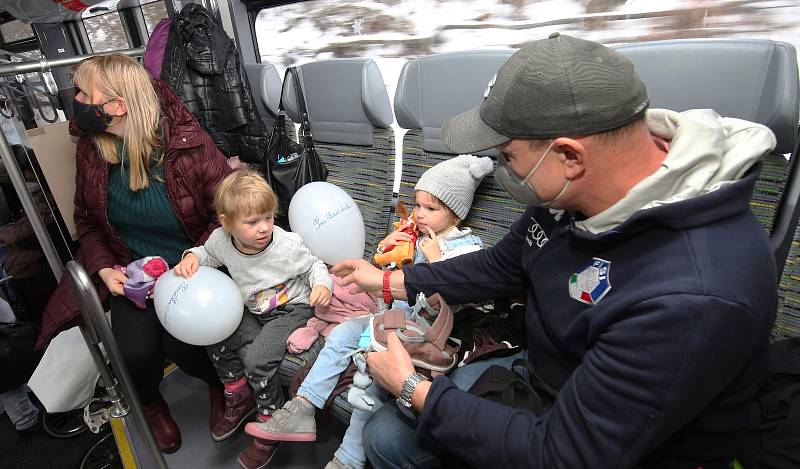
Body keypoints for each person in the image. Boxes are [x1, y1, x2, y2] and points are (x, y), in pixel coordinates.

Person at [331, 33, 778, 469]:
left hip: (607, 440)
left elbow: (566, 453)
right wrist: (389, 279)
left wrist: (413, 388)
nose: (501, 168)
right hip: (543, 370)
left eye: (507, 155)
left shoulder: (694, 294)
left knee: (390, 440)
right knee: (387, 430)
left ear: (569, 156)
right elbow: (503, 265)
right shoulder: (571, 198)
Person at [245, 155, 494, 469]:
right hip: (393, 318)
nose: (420, 215)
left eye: (431, 209)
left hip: (426, 332)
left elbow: (464, 293)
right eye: (417, 205)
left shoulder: (468, 247)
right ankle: (303, 408)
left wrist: (436, 263)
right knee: (345, 335)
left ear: (456, 215)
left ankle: (346, 459)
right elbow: (386, 279)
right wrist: (385, 251)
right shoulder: (414, 237)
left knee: (374, 373)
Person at [40, 53, 233, 454]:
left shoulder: (190, 146)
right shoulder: (93, 149)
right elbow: (87, 222)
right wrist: (106, 269)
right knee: (135, 353)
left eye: (83, 92)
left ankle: (219, 387)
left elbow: (229, 213)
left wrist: (196, 257)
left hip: (192, 267)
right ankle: (151, 403)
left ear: (117, 106)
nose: (75, 100)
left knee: (188, 343)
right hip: (133, 272)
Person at [174, 169, 333, 469]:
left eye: (268, 218)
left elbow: (315, 266)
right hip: (254, 308)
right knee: (216, 334)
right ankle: (237, 391)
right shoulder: (221, 240)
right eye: (252, 222)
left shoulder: (286, 245)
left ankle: (269, 424)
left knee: (257, 361)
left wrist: (323, 285)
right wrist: (191, 257)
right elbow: (206, 254)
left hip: (292, 309)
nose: (264, 228)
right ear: (227, 223)